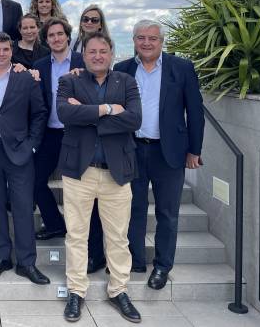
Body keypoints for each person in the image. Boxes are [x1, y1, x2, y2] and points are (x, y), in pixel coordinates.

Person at [57, 33, 142, 323]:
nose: (97, 56)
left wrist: (86, 114)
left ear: (111, 54)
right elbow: (65, 113)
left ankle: (118, 290)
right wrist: (107, 110)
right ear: (84, 55)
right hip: (79, 172)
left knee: (118, 237)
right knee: (76, 235)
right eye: (91, 51)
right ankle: (76, 291)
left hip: (116, 173)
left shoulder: (126, 82)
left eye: (102, 51)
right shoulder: (69, 81)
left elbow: (134, 120)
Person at [114, 20, 204, 291]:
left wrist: (195, 150)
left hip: (169, 152)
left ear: (161, 41)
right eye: (141, 37)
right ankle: (136, 260)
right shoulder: (123, 69)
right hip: (133, 149)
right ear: (134, 41)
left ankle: (163, 266)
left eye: (152, 38)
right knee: (134, 208)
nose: (146, 43)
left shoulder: (181, 68)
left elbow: (195, 111)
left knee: (167, 212)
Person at [0, 32, 50, 285]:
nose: (2, 54)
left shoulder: (26, 78)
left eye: (6, 49)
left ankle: (27, 263)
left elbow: (39, 114)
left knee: (23, 208)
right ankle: (2, 257)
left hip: (19, 152)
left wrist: (32, 146)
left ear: (11, 51)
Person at [32, 18, 83, 241]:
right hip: (50, 133)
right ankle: (54, 224)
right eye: (51, 35)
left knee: (80, 186)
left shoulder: (83, 61)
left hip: (77, 134)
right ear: (46, 40)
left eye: (60, 34)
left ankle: (82, 232)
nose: (56, 38)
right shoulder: (40, 65)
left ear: (68, 37)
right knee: (35, 181)